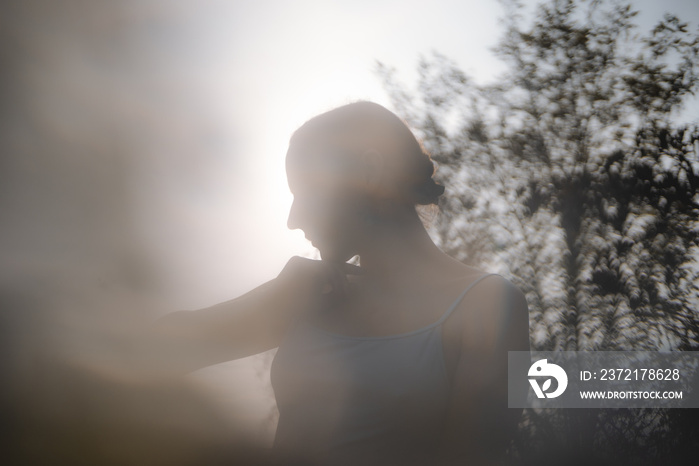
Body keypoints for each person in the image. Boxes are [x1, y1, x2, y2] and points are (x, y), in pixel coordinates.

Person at [154, 101, 531, 465]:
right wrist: (269, 303)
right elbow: (145, 356)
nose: (292, 219)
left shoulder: (491, 305)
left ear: (369, 173)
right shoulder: (309, 296)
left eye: (306, 192)